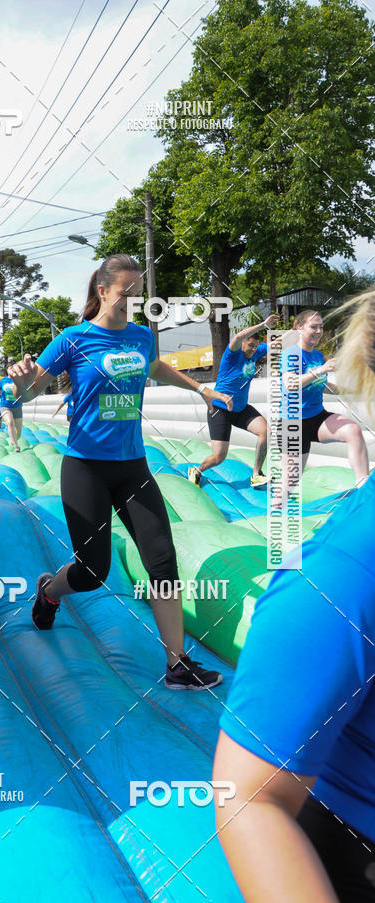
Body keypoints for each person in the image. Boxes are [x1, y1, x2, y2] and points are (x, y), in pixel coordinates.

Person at [213, 291, 375, 901]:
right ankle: (251, 493)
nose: (311, 331)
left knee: (351, 431)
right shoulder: (283, 358)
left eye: (314, 326)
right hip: (275, 415)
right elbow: (250, 799)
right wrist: (311, 366)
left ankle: (353, 481)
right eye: (307, 326)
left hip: (308, 418)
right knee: (274, 476)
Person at [8, 254, 234, 690]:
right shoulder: (73, 339)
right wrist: (20, 380)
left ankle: (177, 664)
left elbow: (155, 367)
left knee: (163, 563)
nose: (131, 301)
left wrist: (201, 387)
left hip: (133, 467)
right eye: (125, 293)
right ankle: (50, 592)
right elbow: (34, 387)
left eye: (137, 294)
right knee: (93, 572)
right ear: (102, 291)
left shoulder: (141, 337)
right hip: (85, 469)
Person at [276, 309, 369, 504]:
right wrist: (322, 370)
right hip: (292, 424)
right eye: (313, 327)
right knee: (289, 482)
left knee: (353, 430)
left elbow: (321, 384)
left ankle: (364, 489)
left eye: (321, 327)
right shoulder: (291, 354)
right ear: (299, 328)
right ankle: (276, 511)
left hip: (316, 418)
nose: (319, 331)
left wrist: (350, 390)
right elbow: (290, 384)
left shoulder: (317, 355)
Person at [188, 315, 279, 488]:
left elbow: (276, 343)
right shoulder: (232, 355)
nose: (253, 349)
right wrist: (263, 324)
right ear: (243, 343)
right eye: (250, 345)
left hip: (241, 409)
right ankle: (197, 471)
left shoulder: (256, 353)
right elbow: (237, 337)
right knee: (219, 457)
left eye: (255, 346)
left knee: (266, 431)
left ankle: (256, 474)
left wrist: (298, 332)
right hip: (220, 409)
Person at [0, 365, 23, 452]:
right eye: (10, 368)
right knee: (10, 422)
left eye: (13, 367)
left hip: (17, 406)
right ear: (7, 370)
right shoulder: (3, 380)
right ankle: (16, 446)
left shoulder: (20, 378)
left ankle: (15, 439)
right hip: (5, 405)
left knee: (19, 432)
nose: (12, 369)